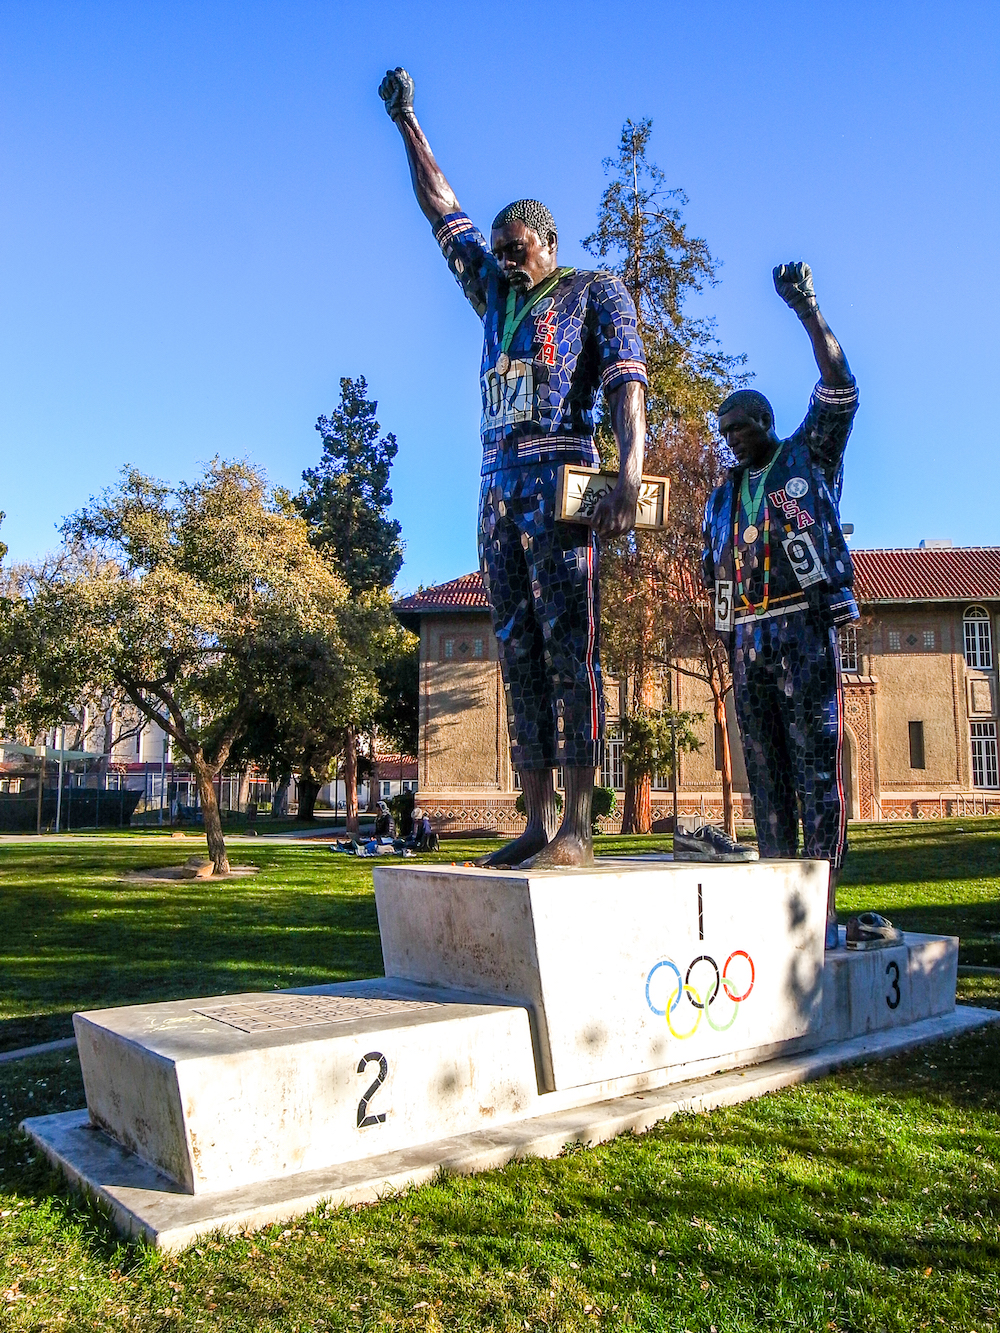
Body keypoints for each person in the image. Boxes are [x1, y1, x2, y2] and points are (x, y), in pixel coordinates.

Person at [379, 67, 648, 869]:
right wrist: (407, 121)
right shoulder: (494, 295)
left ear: (548, 243)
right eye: (497, 253)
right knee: (518, 654)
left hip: (562, 488)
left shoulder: (595, 291)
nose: (504, 261)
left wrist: (630, 473)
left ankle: (578, 825)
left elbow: (627, 382)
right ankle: (534, 819)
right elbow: (440, 206)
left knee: (572, 652)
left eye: (516, 250)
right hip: (496, 497)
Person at [701, 262, 858, 948]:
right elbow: (715, 575)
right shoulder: (720, 498)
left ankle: (820, 903)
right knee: (765, 771)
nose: (732, 438)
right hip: (748, 641)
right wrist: (726, 636)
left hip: (801, 627)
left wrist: (808, 311)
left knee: (815, 765)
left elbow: (840, 388)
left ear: (766, 421)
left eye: (741, 426)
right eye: (725, 431)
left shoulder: (805, 458)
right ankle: (778, 902)